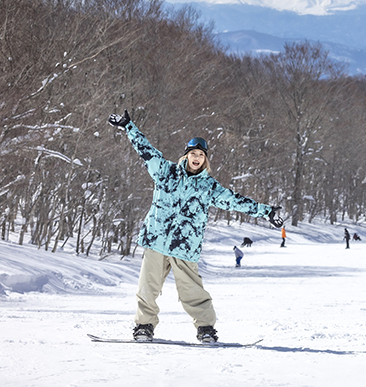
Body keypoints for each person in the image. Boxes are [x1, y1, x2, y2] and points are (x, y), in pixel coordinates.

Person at [108, 110, 284, 343]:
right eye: (193, 153)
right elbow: (146, 151)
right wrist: (128, 126)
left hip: (185, 246)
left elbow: (236, 201)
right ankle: (144, 326)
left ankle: (205, 329)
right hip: (156, 240)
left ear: (205, 159)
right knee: (147, 288)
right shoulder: (165, 172)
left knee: (192, 293)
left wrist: (266, 211)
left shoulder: (208, 187)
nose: (197, 157)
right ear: (186, 155)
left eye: (201, 154)